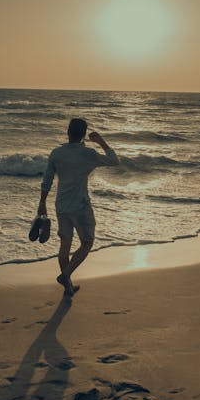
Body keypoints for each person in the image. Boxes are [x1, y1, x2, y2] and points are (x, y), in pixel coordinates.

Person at [37, 118, 119, 296]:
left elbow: (47, 181)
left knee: (64, 245)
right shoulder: (88, 154)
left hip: (61, 206)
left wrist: (42, 203)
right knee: (87, 242)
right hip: (80, 206)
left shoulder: (56, 153)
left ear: (68, 132)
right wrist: (101, 142)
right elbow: (114, 161)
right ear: (83, 135)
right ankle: (65, 276)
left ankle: (68, 287)